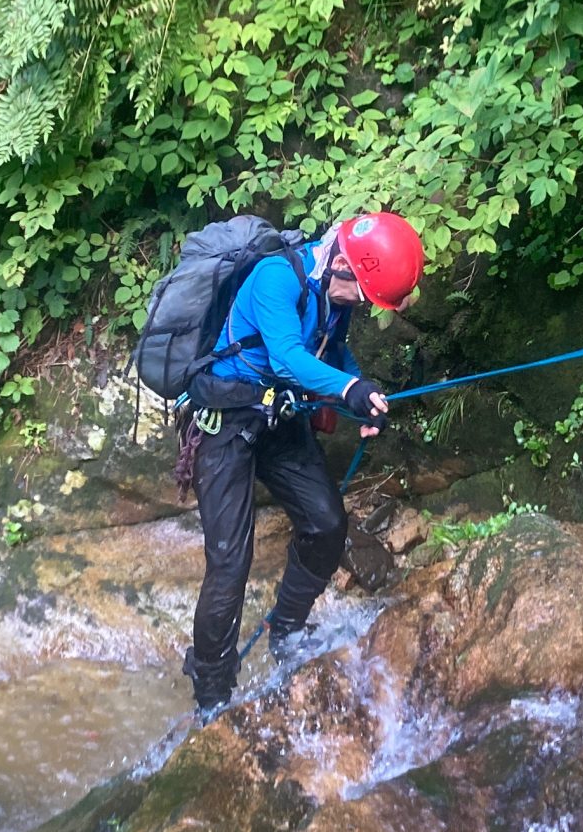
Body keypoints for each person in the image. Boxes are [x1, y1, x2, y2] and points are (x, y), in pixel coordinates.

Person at [180, 211, 425, 718]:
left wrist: (362, 397)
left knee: (327, 524)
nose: (362, 304)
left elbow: (335, 352)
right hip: (223, 420)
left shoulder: (337, 290)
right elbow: (289, 357)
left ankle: (287, 632)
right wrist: (348, 389)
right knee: (230, 564)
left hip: (276, 416)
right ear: (340, 263)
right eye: (362, 293)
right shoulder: (277, 276)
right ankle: (211, 695)